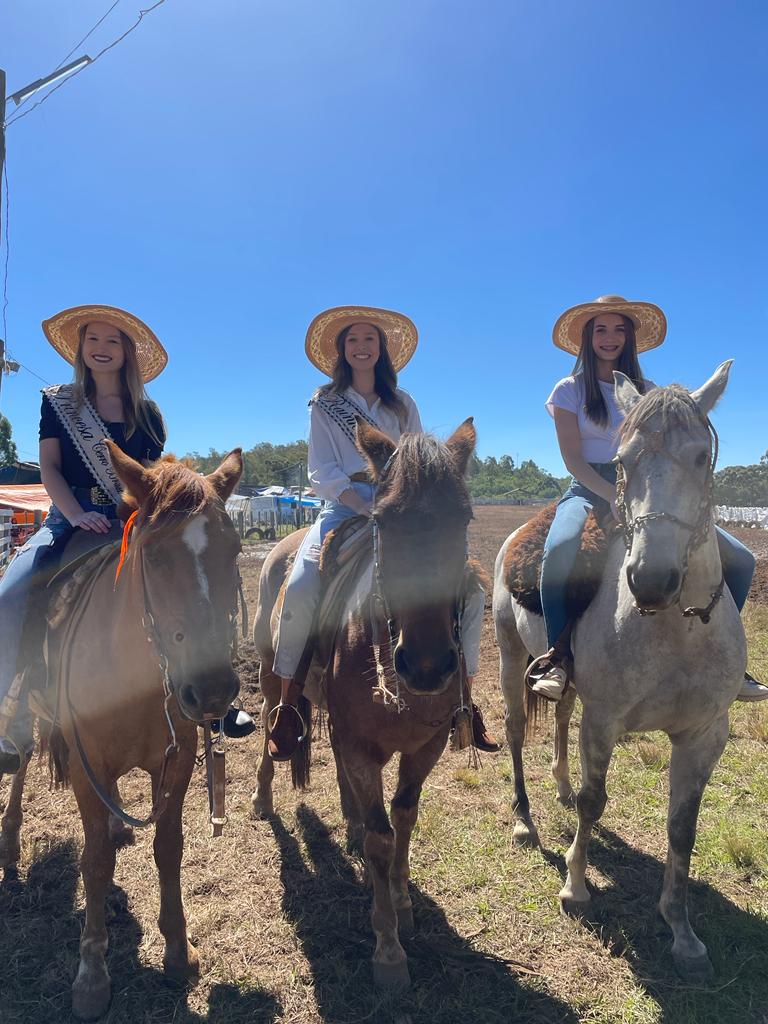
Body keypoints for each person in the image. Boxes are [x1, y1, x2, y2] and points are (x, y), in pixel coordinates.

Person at [0, 305, 249, 776]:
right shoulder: (59, 403)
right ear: (81, 348)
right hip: (68, 517)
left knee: (194, 587)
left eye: (112, 341)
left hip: (134, 521)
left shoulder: (147, 413)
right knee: (11, 591)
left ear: (127, 352)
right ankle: (10, 715)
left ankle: (215, 699)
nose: (101, 347)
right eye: (92, 339)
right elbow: (50, 468)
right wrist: (75, 513)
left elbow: (155, 479)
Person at [267, 305, 499, 760]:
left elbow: (420, 459)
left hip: (403, 511)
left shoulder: (403, 403)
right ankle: (288, 705)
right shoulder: (323, 402)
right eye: (352, 340)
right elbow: (321, 470)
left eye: (369, 339)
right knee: (299, 586)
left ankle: (465, 703)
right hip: (344, 506)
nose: (361, 346)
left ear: (381, 348)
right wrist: (361, 502)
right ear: (341, 349)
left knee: (469, 589)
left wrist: (399, 502)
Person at [527, 294, 767, 703]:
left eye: (619, 328)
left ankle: (727, 658)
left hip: (647, 488)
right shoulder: (568, 390)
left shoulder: (649, 392)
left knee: (742, 559)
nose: (610, 337)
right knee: (561, 549)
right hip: (589, 488)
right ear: (588, 337)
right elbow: (573, 461)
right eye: (600, 329)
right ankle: (559, 657)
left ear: (630, 337)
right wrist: (613, 497)